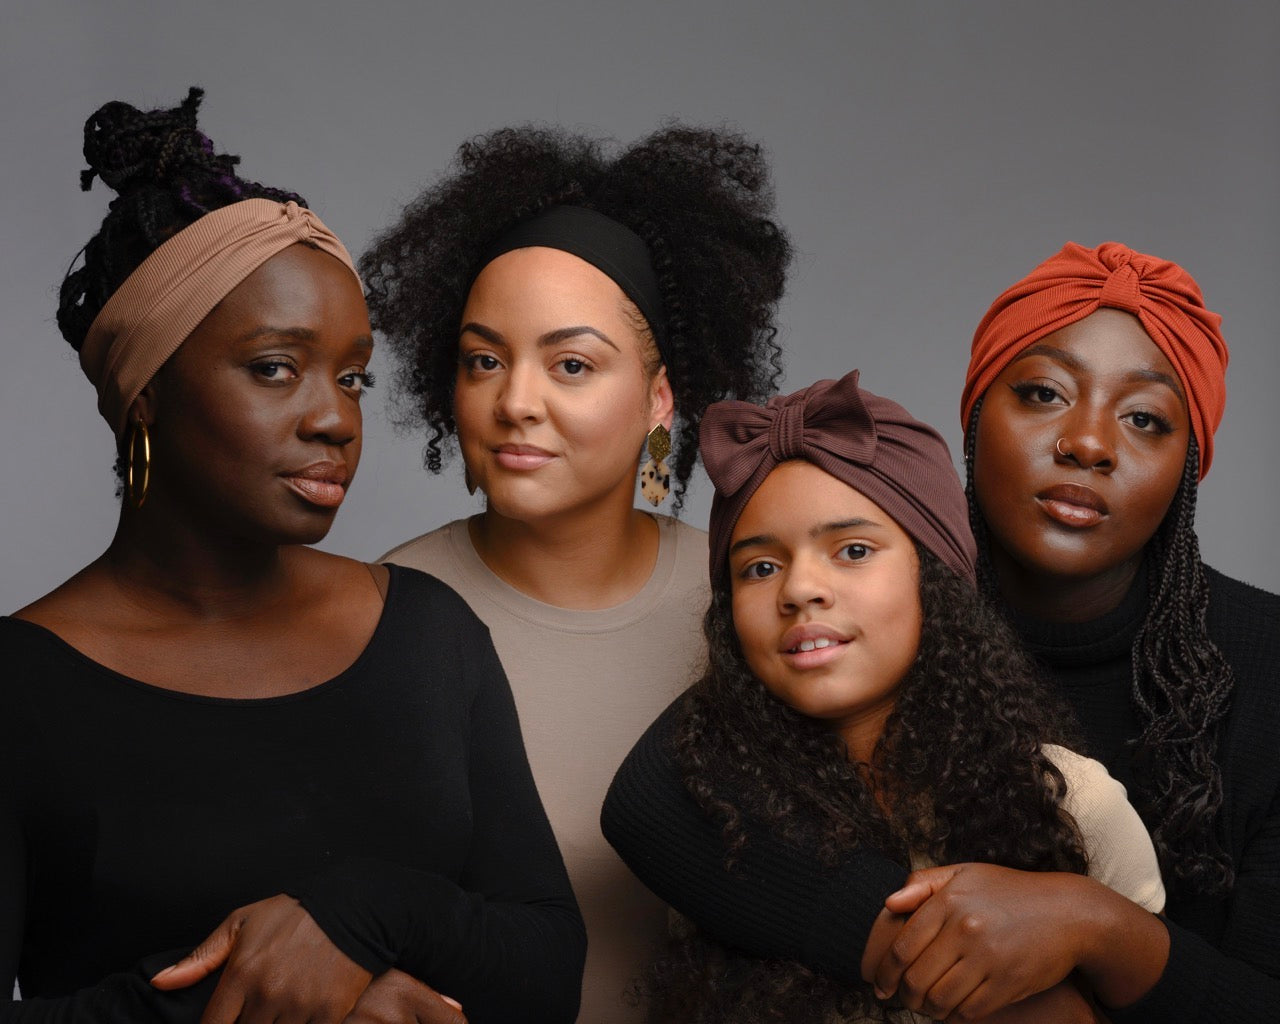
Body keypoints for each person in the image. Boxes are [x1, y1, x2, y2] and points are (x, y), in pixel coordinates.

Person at [1, 89, 584, 1024]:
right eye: (275, 367)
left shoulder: (428, 634)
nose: (335, 418)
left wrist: (363, 917)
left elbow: (550, 968)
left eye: (351, 376)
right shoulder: (21, 690)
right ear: (145, 392)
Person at [603, 242, 1279, 1022]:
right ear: (974, 415)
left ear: (1188, 464)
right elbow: (659, 795)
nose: (1087, 444)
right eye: (1042, 393)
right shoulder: (872, 609)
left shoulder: (1259, 668)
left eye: (1145, 418)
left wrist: (1095, 927)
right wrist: (943, 954)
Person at [361, 125, 790, 1022]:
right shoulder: (383, 614)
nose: (516, 401)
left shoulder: (752, 599)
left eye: (571, 364)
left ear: (660, 397)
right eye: (485, 360)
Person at [646, 370, 1163, 1023]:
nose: (800, 588)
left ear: (937, 582)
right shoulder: (718, 823)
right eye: (760, 567)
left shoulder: (1075, 804)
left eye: (853, 550)